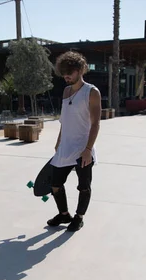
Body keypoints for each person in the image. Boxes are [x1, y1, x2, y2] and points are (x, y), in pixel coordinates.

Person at [47, 51, 101, 232]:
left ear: (79, 70)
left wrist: (88, 149)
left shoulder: (91, 92)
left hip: (82, 149)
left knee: (83, 186)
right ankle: (64, 214)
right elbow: (65, 119)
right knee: (55, 184)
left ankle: (79, 217)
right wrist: (59, 141)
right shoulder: (66, 91)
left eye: (69, 72)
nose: (66, 76)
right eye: (63, 73)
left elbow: (95, 124)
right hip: (65, 146)